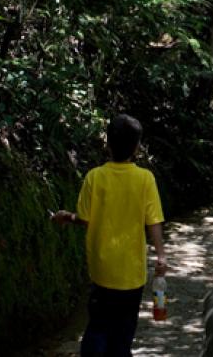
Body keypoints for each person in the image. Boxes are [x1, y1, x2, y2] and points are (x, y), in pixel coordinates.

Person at [51, 114, 166, 356]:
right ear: (136, 147)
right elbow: (153, 221)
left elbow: (84, 218)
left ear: (107, 143)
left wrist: (66, 216)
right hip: (132, 273)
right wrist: (161, 256)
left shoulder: (95, 177)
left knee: (98, 326)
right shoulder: (145, 178)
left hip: (102, 270)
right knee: (123, 332)